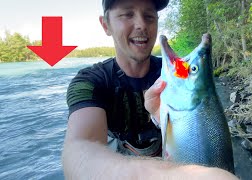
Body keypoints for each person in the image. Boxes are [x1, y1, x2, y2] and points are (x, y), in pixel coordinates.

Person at [62, 0, 239, 179]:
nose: (141, 25)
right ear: (106, 25)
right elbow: (80, 150)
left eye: (149, 16)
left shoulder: (172, 75)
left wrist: (159, 118)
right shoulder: (90, 82)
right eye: (127, 14)